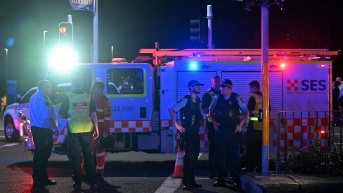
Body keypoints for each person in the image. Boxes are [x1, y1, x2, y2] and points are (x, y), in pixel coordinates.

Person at [58, 76, 99, 190]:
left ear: (72, 84)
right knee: (89, 156)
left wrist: (69, 116)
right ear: (81, 84)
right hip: (87, 130)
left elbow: (61, 114)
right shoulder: (88, 96)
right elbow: (93, 114)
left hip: (74, 130)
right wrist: (97, 129)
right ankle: (93, 181)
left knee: (75, 158)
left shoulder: (68, 97)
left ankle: (77, 183)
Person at [209, 79, 248, 188]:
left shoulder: (237, 98)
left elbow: (246, 113)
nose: (221, 88)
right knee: (220, 156)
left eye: (224, 87)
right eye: (221, 87)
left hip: (233, 131)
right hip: (221, 131)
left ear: (230, 88)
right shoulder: (217, 98)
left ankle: (235, 178)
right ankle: (220, 179)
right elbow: (210, 112)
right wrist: (214, 123)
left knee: (234, 156)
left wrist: (240, 124)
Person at [168, 79, 204, 190]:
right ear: (190, 87)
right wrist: (176, 125)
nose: (199, 88)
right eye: (197, 86)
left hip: (195, 132)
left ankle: (191, 181)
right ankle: (186, 182)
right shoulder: (185, 100)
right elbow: (171, 109)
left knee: (194, 157)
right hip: (187, 131)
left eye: (199, 86)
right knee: (188, 158)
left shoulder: (198, 100)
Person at [29, 80, 59, 187]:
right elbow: (46, 118)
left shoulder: (33, 97)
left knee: (38, 154)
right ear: (45, 87)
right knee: (43, 155)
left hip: (36, 129)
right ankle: (41, 178)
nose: (51, 89)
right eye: (50, 87)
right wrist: (54, 128)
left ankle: (38, 178)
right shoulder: (43, 99)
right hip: (43, 130)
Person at [91, 81, 112, 181]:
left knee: (100, 153)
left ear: (99, 89)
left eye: (94, 88)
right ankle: (86, 172)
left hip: (99, 130)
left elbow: (106, 119)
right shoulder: (94, 99)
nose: (92, 89)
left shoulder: (104, 101)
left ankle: (100, 172)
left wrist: (105, 134)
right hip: (92, 130)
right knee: (88, 152)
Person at [201, 75, 221, 178]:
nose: (217, 83)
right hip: (212, 124)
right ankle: (211, 171)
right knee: (213, 148)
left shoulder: (223, 93)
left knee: (221, 148)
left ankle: (220, 170)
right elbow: (203, 110)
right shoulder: (208, 94)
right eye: (215, 81)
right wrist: (213, 110)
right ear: (212, 82)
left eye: (219, 81)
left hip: (222, 125)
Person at [245, 80, 263, 172]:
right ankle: (259, 167)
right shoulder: (265, 97)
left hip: (252, 126)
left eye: (250, 88)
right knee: (259, 148)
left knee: (250, 148)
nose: (250, 90)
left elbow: (250, 111)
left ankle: (250, 167)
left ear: (253, 87)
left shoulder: (253, 97)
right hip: (262, 127)